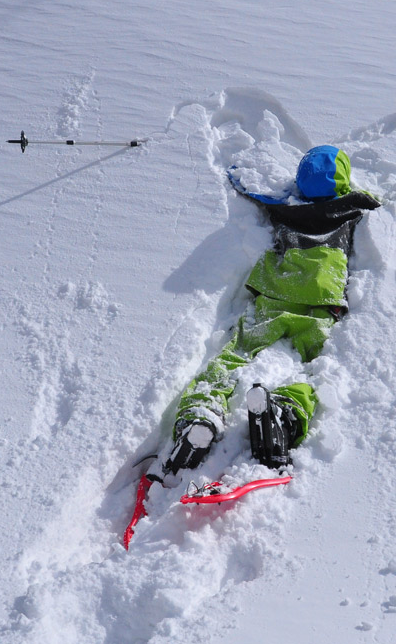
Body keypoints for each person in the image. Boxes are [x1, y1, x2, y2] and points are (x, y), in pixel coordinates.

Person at [146, 145, 380, 484]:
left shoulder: (286, 209)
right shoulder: (353, 206)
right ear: (342, 181)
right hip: (318, 303)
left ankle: (203, 413)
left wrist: (236, 176)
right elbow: (380, 208)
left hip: (274, 293)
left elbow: (256, 193)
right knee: (309, 364)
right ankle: (282, 416)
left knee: (236, 352)